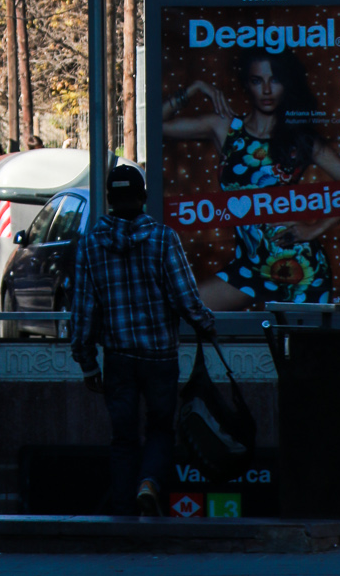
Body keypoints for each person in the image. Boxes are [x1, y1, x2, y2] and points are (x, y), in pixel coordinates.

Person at [71, 162, 215, 518]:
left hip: (118, 358)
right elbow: (186, 299)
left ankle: (123, 514)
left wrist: (87, 362)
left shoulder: (89, 245)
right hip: (160, 357)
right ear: (144, 197)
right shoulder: (163, 239)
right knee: (160, 429)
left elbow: (84, 311)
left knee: (123, 438)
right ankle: (148, 484)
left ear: (109, 199)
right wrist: (206, 325)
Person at [162, 48, 340, 308]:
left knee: (297, 338)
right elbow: (156, 124)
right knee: (183, 307)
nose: (266, 90)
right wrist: (197, 87)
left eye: (274, 80)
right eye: (257, 81)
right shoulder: (226, 128)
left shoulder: (298, 139)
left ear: (286, 84)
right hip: (249, 267)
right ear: (246, 84)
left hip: (301, 270)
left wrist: (315, 228)